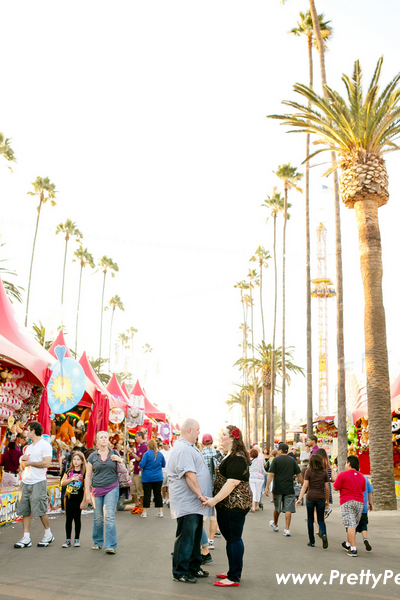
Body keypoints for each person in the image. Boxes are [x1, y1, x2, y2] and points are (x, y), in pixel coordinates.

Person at [203, 425, 252, 587]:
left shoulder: (237, 457)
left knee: (233, 538)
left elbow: (232, 482)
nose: (221, 437)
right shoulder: (230, 455)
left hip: (234, 505)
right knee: (231, 538)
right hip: (228, 504)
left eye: (223, 435)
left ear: (232, 437)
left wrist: (214, 500)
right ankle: (233, 570)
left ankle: (233, 576)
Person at [168, 418, 212, 584]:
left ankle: (194, 567)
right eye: (198, 429)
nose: (199, 432)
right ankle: (180, 572)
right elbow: (189, 474)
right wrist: (201, 495)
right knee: (186, 537)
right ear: (189, 430)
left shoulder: (189, 447)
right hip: (188, 502)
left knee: (194, 537)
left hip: (194, 503)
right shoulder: (183, 449)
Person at [14, 421, 54, 548]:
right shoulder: (28, 447)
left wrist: (30, 463)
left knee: (40, 509)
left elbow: (47, 463)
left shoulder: (45, 445)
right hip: (26, 481)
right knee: (24, 509)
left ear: (33, 431)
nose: (26, 432)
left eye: (28, 430)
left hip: (38, 481)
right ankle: (26, 537)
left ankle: (48, 534)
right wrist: (23, 461)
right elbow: (22, 464)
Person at [85, 430, 123, 554]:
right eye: (101, 437)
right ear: (97, 440)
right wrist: (87, 493)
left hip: (112, 487)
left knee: (109, 516)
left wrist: (119, 459)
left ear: (108, 440)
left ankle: (111, 545)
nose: (103, 439)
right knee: (98, 517)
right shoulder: (92, 456)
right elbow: (88, 475)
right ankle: (97, 541)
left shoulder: (115, 453)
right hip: (96, 489)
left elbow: (123, 469)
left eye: (105, 437)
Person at [265, 442, 303, 537]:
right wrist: (304, 486)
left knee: (277, 508)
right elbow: (299, 475)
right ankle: (287, 529)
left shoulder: (276, 460)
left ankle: (276, 524)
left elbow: (271, 474)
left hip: (278, 488)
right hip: (289, 488)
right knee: (288, 509)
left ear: (280, 450)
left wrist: (266, 487)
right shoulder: (292, 461)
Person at [334, 455, 366, 557]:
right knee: (353, 524)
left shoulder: (343, 475)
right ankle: (348, 544)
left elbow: (335, 487)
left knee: (350, 524)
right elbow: (363, 489)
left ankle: (353, 548)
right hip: (359, 502)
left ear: (349, 464)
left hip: (347, 501)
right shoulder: (362, 476)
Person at [296, 454, 330, 549]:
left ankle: (312, 541)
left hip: (310, 497)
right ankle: (323, 534)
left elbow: (305, 486)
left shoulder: (308, 472)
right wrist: (327, 500)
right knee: (321, 520)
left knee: (310, 519)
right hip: (321, 498)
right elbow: (327, 488)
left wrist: (300, 498)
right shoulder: (324, 473)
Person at [61, 450, 86, 547]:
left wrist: (83, 501)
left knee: (77, 519)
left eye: (78, 460)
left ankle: (77, 539)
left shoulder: (83, 473)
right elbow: (62, 483)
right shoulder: (68, 472)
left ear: (82, 462)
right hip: (69, 498)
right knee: (68, 519)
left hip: (78, 499)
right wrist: (72, 479)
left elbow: (86, 488)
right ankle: (68, 539)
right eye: (74, 459)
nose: (76, 461)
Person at [201, 433, 219, 547]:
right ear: (212, 442)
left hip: (204, 487)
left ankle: (202, 541)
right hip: (216, 487)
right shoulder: (218, 453)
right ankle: (211, 540)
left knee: (202, 516)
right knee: (214, 516)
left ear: (203, 443)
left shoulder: (200, 453)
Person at [140, 438, 165, 518]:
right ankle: (160, 512)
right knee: (158, 494)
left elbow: (142, 465)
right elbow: (163, 465)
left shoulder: (146, 454)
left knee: (147, 494)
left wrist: (140, 465)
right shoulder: (160, 454)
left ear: (148, 445)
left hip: (147, 477)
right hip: (158, 477)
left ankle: (145, 512)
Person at [130, 430, 147, 514]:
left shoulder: (144, 446)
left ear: (140, 436)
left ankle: (142, 507)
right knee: (132, 489)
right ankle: (137, 504)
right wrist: (133, 468)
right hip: (135, 471)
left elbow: (138, 459)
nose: (135, 438)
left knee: (140, 490)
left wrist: (131, 452)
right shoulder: (140, 446)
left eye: (136, 436)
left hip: (140, 472)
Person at [355, 476, 373, 552]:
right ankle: (365, 538)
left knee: (353, 526)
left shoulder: (352, 478)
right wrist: (370, 503)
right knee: (364, 525)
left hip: (355, 506)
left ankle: (350, 543)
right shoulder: (365, 479)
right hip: (364, 507)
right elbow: (370, 492)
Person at [160, 440, 171, 506]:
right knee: (163, 486)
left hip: (170, 471)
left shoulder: (171, 451)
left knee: (169, 486)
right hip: (163, 470)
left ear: (168, 444)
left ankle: (168, 499)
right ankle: (163, 498)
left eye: (164, 444)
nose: (163, 445)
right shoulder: (161, 452)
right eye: (163, 444)